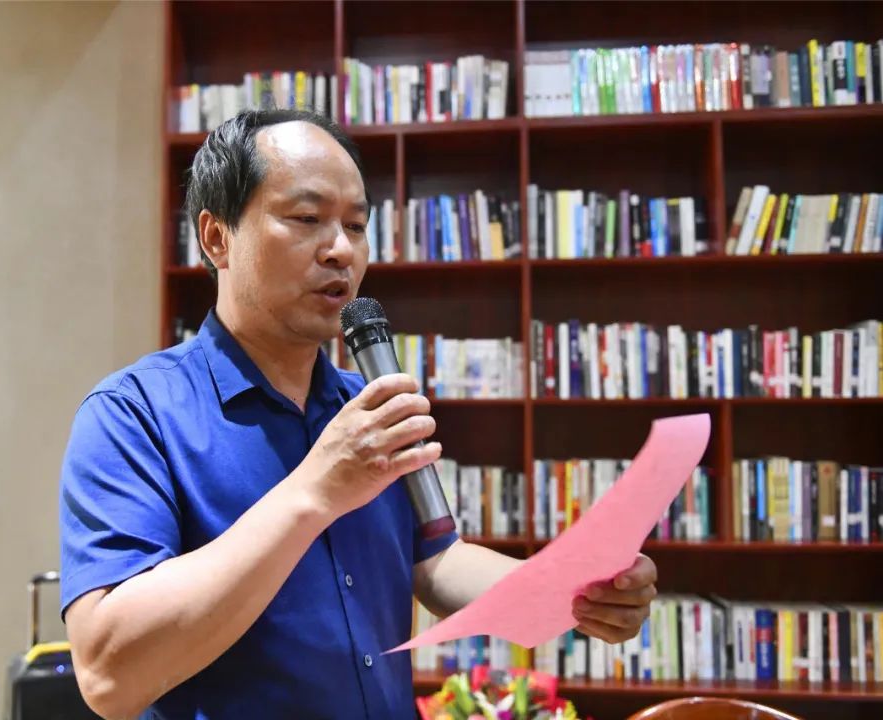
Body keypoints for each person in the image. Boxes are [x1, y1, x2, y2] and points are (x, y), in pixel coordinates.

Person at [59, 109, 657, 720]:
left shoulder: (366, 405)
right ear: (217, 238)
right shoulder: (133, 415)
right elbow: (109, 677)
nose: (341, 249)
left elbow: (435, 562)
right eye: (306, 218)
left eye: (356, 224)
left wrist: (571, 591)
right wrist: (314, 492)